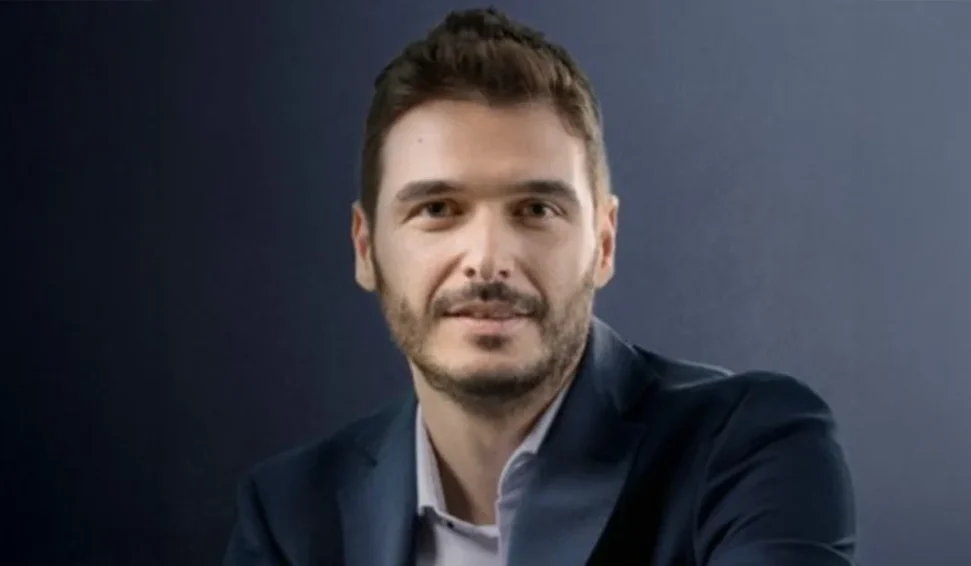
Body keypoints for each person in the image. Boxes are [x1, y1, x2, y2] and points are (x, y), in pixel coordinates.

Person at [223, 7, 856, 566]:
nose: (487, 260)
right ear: (366, 249)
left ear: (604, 243)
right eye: (438, 209)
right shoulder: (288, 512)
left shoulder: (751, 449)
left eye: (536, 210)